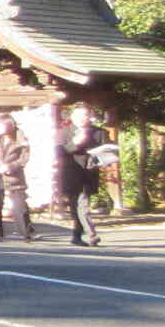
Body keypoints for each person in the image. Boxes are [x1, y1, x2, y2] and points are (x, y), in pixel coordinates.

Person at [0, 113, 35, 242]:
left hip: (14, 175)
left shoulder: (21, 138)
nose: (0, 128)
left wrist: (11, 166)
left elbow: (24, 158)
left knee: (19, 205)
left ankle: (26, 232)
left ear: (11, 126)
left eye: (3, 125)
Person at [59, 104, 104, 247]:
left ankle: (91, 235)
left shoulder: (99, 132)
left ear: (90, 117)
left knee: (82, 205)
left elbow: (108, 150)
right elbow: (59, 152)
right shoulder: (64, 132)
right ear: (72, 117)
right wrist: (74, 144)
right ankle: (76, 236)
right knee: (75, 206)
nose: (81, 119)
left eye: (85, 115)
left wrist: (99, 159)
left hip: (89, 173)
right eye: (78, 115)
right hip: (71, 173)